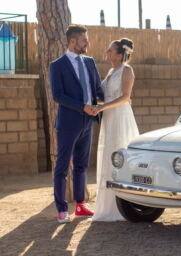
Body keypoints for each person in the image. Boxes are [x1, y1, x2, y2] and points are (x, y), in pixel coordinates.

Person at [49, 25, 104, 223]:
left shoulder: (89, 62)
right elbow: (58, 95)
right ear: (73, 41)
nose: (87, 43)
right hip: (68, 123)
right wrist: (83, 107)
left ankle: (81, 205)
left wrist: (109, 104)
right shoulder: (57, 65)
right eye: (84, 40)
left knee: (81, 165)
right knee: (62, 167)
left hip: (88, 121)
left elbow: (97, 89)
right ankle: (62, 209)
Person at [91, 38, 139, 221]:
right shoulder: (111, 71)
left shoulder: (127, 70)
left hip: (120, 117)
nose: (106, 52)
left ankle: (124, 206)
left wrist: (102, 108)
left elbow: (125, 97)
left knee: (119, 155)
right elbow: (105, 96)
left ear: (120, 54)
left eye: (110, 50)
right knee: (108, 156)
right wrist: (94, 103)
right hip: (109, 118)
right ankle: (107, 206)